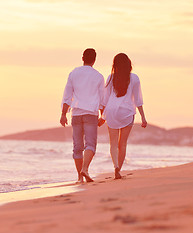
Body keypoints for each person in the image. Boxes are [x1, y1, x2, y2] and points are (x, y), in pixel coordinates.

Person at [60, 48, 105, 183]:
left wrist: (63, 114)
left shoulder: (74, 73)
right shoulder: (98, 76)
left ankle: (80, 178)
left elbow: (67, 95)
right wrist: (103, 116)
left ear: (82, 58)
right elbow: (102, 98)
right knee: (90, 145)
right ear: (94, 59)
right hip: (91, 113)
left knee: (77, 146)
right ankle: (84, 169)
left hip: (76, 113)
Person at [101, 53, 147, 179]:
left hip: (111, 111)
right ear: (128, 64)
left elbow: (105, 100)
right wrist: (143, 117)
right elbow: (138, 100)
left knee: (113, 144)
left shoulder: (111, 78)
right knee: (123, 144)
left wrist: (102, 116)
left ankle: (115, 165)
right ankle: (119, 170)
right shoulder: (135, 78)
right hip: (126, 112)